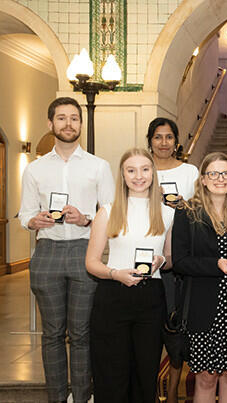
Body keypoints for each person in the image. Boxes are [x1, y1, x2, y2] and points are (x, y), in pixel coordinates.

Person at [18, 97, 114, 403]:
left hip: (85, 252)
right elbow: (24, 214)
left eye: (74, 118)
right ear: (50, 124)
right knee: (52, 334)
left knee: (82, 334)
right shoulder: (34, 169)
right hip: (47, 252)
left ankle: (83, 396)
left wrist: (86, 219)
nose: (68, 124)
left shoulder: (99, 166)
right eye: (61, 118)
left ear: (81, 125)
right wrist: (35, 220)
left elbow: (111, 213)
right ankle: (57, 398)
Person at [171, 152, 227, 403]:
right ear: (203, 179)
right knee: (207, 377)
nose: (220, 179)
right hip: (203, 307)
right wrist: (215, 265)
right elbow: (179, 262)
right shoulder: (187, 212)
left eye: (226, 173)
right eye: (213, 173)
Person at [86, 148, 173, 403]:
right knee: (111, 373)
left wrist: (161, 261)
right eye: (131, 170)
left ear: (153, 173)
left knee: (145, 372)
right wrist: (115, 274)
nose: (139, 176)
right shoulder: (107, 212)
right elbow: (91, 263)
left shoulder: (167, 212)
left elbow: (169, 260)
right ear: (122, 175)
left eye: (145, 169)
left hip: (151, 299)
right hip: (113, 297)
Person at [146, 117, 199, 403]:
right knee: (151, 329)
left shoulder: (190, 171)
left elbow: (201, 210)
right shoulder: (143, 169)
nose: (163, 142)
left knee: (176, 329)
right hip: (147, 257)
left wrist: (185, 205)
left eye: (168, 137)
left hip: (180, 259)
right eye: (158, 137)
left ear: (176, 141)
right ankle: (152, 390)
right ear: (150, 140)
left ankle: (175, 391)